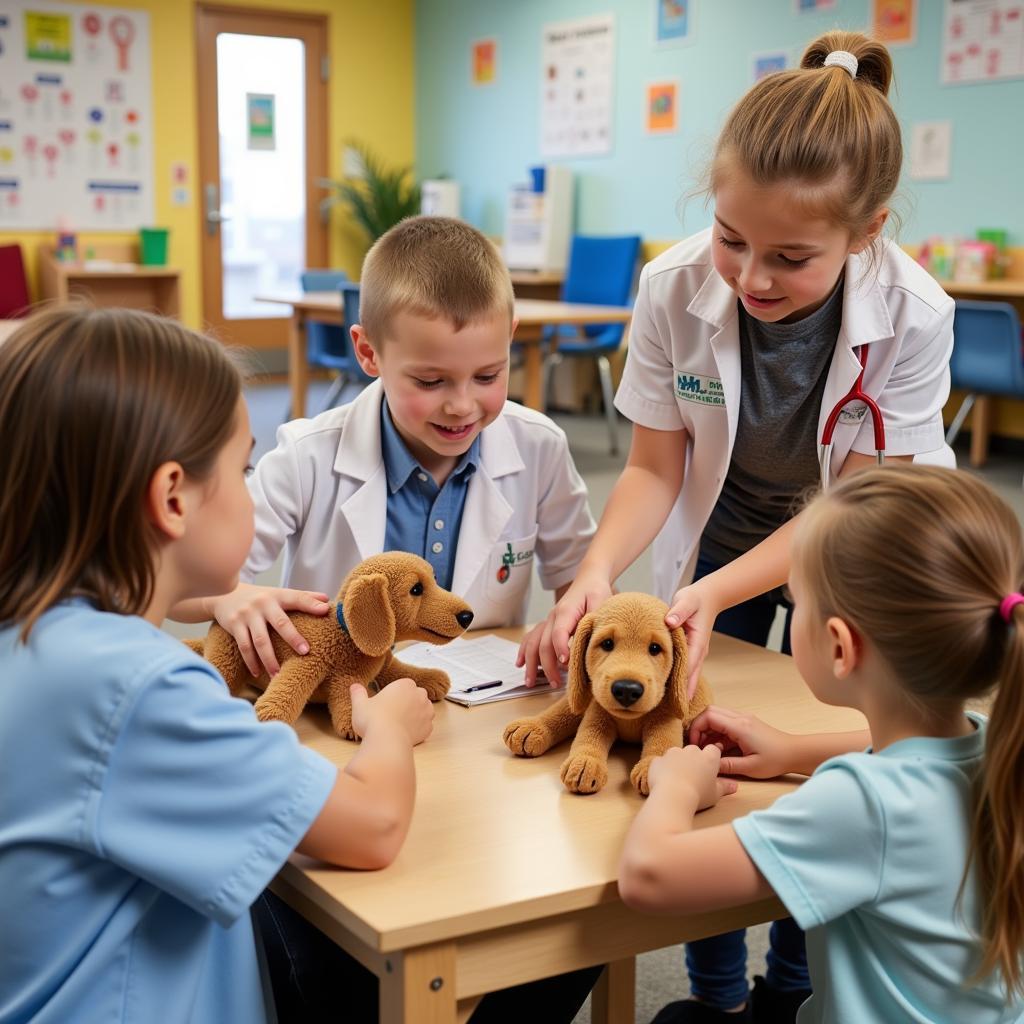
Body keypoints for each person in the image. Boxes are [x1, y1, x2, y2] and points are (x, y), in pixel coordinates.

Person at [521, 30, 954, 1022]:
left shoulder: (914, 313)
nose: (749, 278)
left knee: (833, 756)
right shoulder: (674, 284)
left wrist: (717, 590)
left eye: (790, 258)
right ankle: (712, 996)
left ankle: (790, 989)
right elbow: (651, 465)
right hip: (713, 532)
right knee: (699, 751)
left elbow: (847, 512)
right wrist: (596, 569)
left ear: (868, 230)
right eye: (730, 237)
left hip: (851, 551)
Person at [0, 307, 597, 1024]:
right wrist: (387, 723)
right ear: (171, 499)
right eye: (242, 467)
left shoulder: (43, 638)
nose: (253, 485)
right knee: (552, 926)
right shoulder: (138, 687)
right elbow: (373, 826)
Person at [618, 463, 1024, 1024]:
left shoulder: (863, 803)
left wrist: (676, 786)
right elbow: (898, 759)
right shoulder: (999, 747)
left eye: (796, 600)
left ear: (840, 647)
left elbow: (648, 875)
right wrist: (793, 751)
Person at [172, 214, 595, 682]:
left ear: (510, 338)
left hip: (480, 714)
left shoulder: (539, 446)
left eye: (488, 376)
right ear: (369, 352)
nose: (461, 405)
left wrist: (572, 619)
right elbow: (176, 579)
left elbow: (583, 580)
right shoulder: (305, 457)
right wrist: (224, 598)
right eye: (430, 381)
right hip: (338, 704)